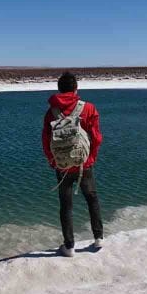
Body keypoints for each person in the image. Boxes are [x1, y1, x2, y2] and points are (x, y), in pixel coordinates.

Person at [42, 71, 103, 256]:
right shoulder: (89, 108)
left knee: (66, 205)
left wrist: (53, 161)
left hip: (63, 165)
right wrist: (91, 158)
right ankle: (98, 238)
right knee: (91, 198)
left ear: (59, 89)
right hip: (84, 163)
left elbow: (46, 140)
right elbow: (96, 137)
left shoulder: (51, 112)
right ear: (76, 88)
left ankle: (69, 246)